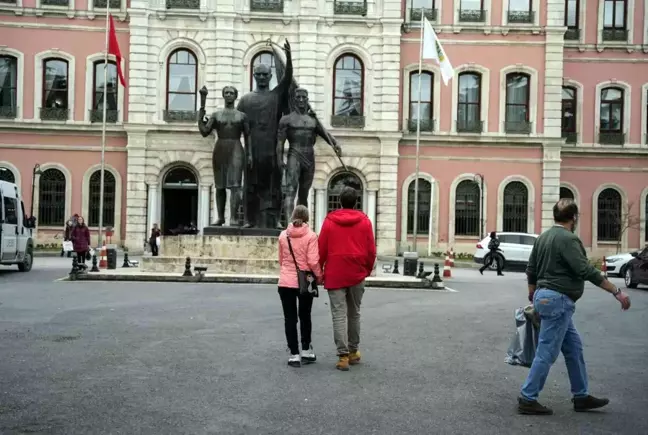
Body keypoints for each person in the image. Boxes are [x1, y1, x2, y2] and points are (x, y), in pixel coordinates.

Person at [518, 199, 631, 415]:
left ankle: (581, 395)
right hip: (558, 300)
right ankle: (527, 397)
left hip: (545, 297)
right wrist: (616, 291)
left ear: (555, 216)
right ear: (574, 218)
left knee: (573, 348)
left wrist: (533, 294)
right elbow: (584, 270)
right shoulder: (568, 239)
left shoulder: (543, 237)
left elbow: (531, 269)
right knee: (547, 351)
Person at [318, 186, 376, 371]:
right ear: (356, 202)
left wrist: (319, 270)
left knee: (338, 315)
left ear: (340, 202)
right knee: (354, 312)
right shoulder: (365, 221)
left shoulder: (329, 221)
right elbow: (371, 250)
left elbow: (322, 249)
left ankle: (342, 355)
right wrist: (366, 269)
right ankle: (353, 351)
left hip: (335, 272)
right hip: (357, 271)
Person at [275, 88, 341, 227]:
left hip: (309, 157)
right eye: (298, 97)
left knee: (304, 193)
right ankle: (289, 224)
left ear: (307, 99)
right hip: (294, 154)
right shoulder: (286, 119)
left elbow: (325, 135)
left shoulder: (313, 120)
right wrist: (280, 160)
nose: (300, 100)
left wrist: (334, 143)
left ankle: (302, 224)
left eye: (303, 97)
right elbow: (280, 142)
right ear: (294, 99)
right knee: (291, 191)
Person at [277, 205, 323, 367]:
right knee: (305, 316)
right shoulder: (311, 236)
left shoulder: (283, 235)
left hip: (285, 281)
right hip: (305, 281)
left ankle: (294, 354)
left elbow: (281, 260)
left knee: (290, 318)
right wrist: (319, 275)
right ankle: (306, 350)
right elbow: (312, 261)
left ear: (293, 216)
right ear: (307, 217)